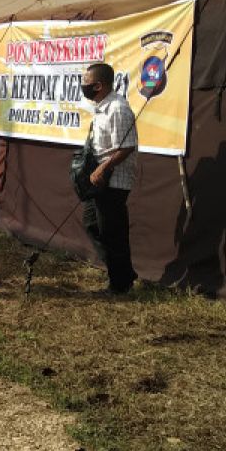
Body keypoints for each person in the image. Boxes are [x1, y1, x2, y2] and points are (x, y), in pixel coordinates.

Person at [79, 62, 139, 294]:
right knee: (92, 224)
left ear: (99, 85)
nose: (83, 87)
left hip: (114, 181)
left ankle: (121, 284)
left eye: (86, 83)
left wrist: (104, 168)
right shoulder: (101, 107)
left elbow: (127, 147)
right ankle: (122, 271)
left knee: (112, 231)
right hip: (99, 179)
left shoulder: (118, 108)